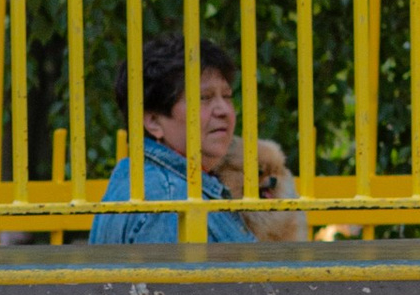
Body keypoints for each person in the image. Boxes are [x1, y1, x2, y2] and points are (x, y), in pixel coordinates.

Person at [87, 35, 303, 247]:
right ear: (153, 121)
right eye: (204, 98)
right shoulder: (168, 201)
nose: (223, 110)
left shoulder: (139, 177)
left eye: (227, 96)